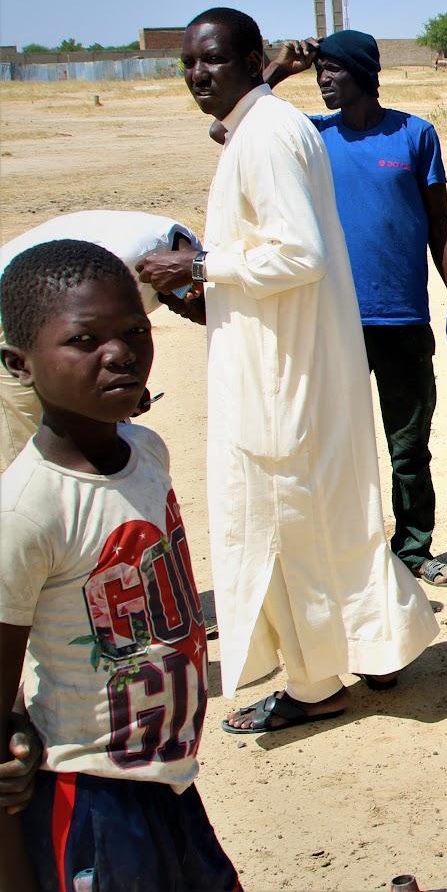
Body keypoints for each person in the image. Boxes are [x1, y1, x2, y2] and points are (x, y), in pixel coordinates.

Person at [137, 7, 437, 733]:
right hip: (285, 362)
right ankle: (379, 645)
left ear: (252, 58)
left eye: (211, 60)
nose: (197, 76)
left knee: (286, 528)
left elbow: (299, 252)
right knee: (329, 521)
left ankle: (312, 686)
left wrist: (200, 264)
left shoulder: (269, 135)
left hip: (280, 379)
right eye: (187, 64)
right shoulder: (265, 127)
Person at [1, 239, 238, 890]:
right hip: (90, 800)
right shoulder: (28, 508)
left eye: (135, 329)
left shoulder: (147, 451)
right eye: (84, 339)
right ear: (19, 364)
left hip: (170, 783)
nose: (121, 352)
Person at [263, 30, 447, 585]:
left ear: (362, 73)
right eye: (318, 70)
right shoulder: (309, 136)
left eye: (332, 69)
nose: (323, 79)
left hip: (401, 319)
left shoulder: (414, 135)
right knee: (335, 445)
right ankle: (349, 550)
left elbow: (438, 224)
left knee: (409, 446)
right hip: (332, 324)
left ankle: (414, 549)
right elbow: (226, 129)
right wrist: (279, 71)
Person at [0, 211, 203, 470]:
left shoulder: (180, 256)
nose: (183, 316)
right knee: (37, 444)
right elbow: (67, 329)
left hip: (61, 321)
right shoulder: (127, 260)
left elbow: (100, 333)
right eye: (193, 314)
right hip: (13, 314)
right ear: (193, 291)